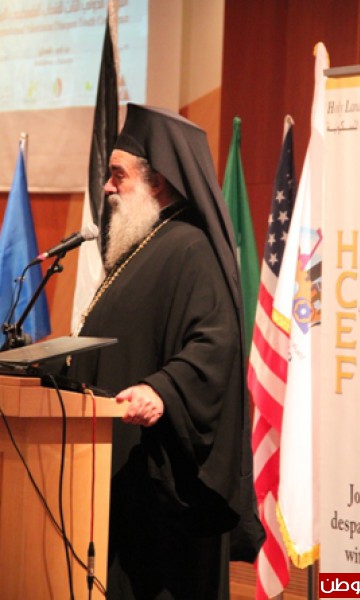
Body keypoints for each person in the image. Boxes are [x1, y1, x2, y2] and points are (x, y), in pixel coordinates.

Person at [68, 104, 264, 600]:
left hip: (162, 490)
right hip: (112, 472)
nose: (106, 187)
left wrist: (162, 390)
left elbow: (216, 345)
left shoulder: (191, 248)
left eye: (118, 175)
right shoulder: (141, 246)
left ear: (157, 182)